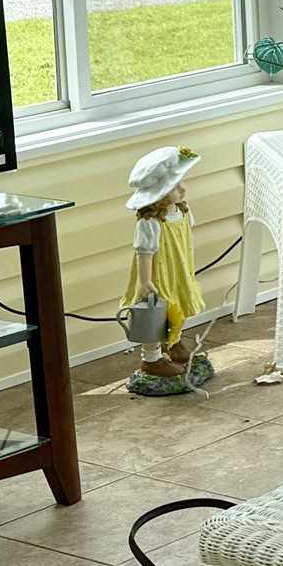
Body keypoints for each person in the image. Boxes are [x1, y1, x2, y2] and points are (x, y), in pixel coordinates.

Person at [121, 145, 212, 397]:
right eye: (174, 187)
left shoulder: (181, 211)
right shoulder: (150, 222)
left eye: (181, 183)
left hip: (178, 269)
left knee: (178, 306)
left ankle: (172, 344)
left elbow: (183, 238)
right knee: (155, 314)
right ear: (159, 195)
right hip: (158, 274)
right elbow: (145, 253)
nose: (182, 189)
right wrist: (144, 281)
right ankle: (151, 357)